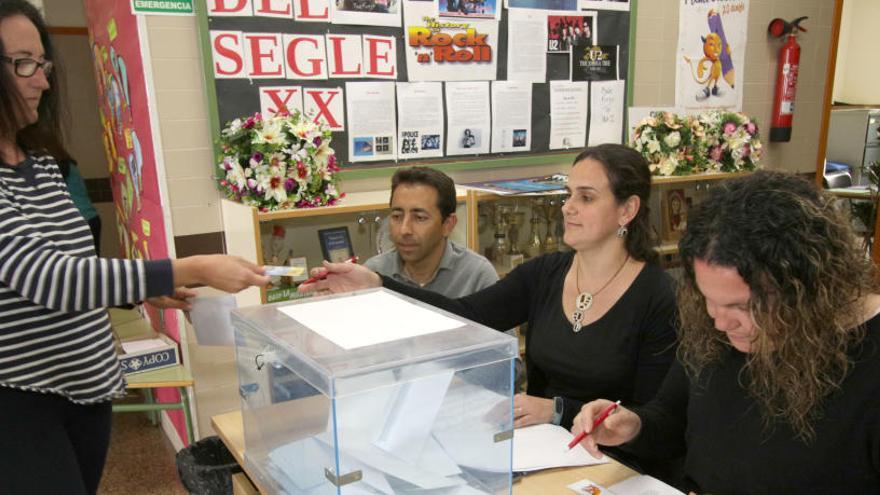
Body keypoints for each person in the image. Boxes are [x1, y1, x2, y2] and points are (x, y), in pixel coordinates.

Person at [0, 2, 270, 493]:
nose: (41, 80)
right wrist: (188, 268)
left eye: (43, 65)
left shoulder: (38, 160)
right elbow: (44, 276)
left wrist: (137, 293)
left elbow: (76, 266)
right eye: (23, 64)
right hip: (22, 398)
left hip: (85, 387)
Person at [302, 144, 677, 435]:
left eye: (586, 197)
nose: (567, 208)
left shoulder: (658, 297)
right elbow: (466, 317)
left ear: (627, 210)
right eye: (568, 194)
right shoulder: (545, 273)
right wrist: (379, 285)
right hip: (546, 447)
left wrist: (559, 410)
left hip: (617, 466)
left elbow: (654, 420)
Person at [573, 171, 880, 494]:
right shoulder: (714, 329)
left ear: (809, 289)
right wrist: (633, 426)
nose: (720, 323)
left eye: (743, 307)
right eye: (708, 299)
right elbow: (673, 420)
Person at [365, 166, 498, 298]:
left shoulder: (478, 278)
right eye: (397, 216)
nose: (404, 230)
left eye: (420, 218)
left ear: (448, 224)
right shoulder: (373, 274)